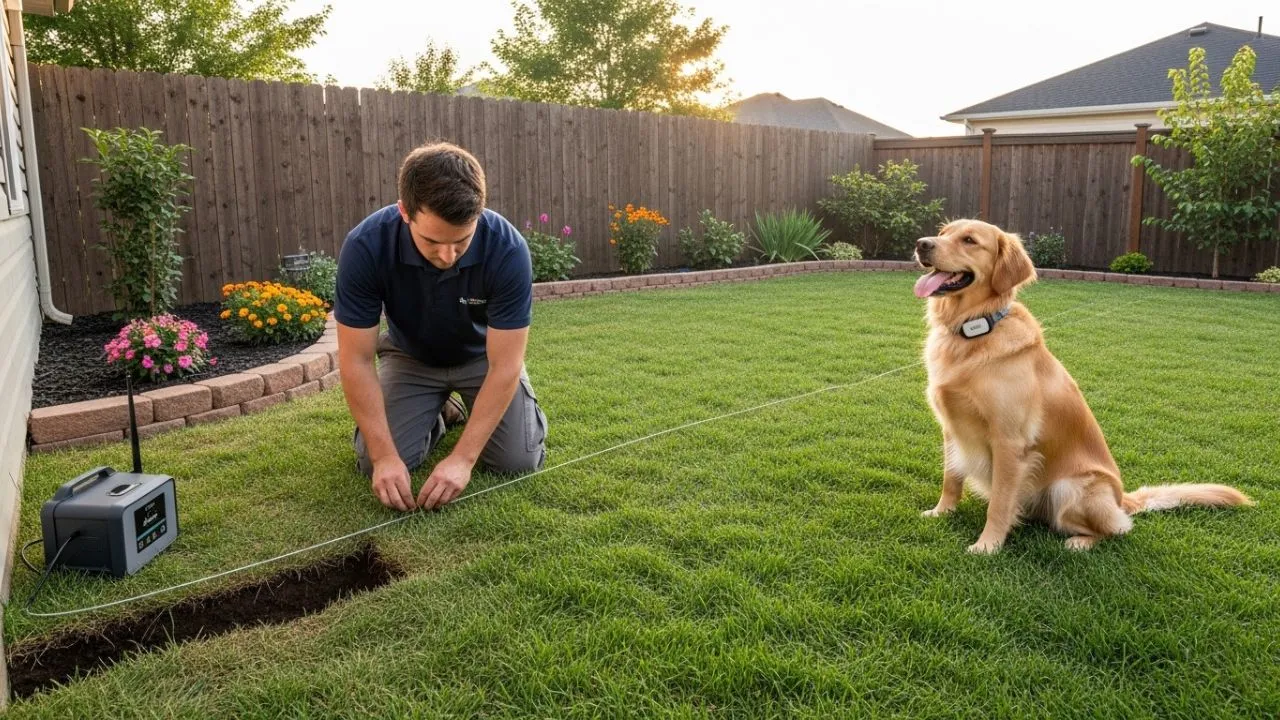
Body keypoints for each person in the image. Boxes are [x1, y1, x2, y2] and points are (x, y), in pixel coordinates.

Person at [334, 141, 547, 511]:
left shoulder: (508, 249)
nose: (447, 255)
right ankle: (440, 412)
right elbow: (357, 360)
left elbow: (505, 364)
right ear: (404, 212)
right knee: (372, 462)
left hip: (483, 360)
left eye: (462, 240)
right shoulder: (366, 246)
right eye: (432, 241)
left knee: (516, 461)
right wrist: (384, 457)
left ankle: (503, 414)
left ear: (479, 214)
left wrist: (463, 460)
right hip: (410, 357)